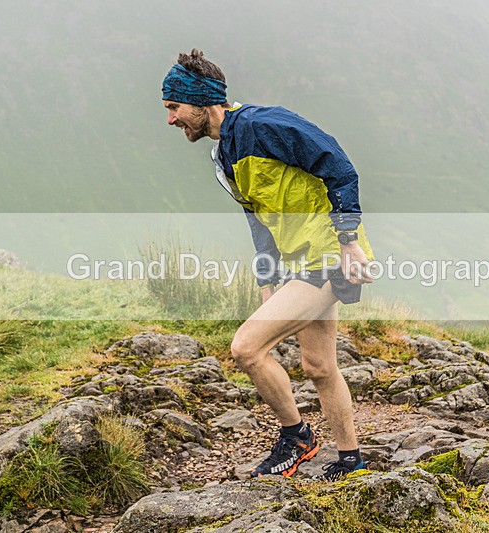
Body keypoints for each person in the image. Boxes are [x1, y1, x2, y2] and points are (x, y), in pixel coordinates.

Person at [161, 49, 375, 480]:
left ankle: (296, 436)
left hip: (328, 254)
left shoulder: (264, 125)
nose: (171, 119)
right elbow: (258, 218)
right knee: (318, 366)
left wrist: (350, 241)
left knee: (246, 347)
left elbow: (338, 165)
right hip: (298, 260)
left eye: (174, 108)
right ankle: (351, 459)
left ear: (202, 102)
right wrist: (267, 276)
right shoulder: (224, 156)